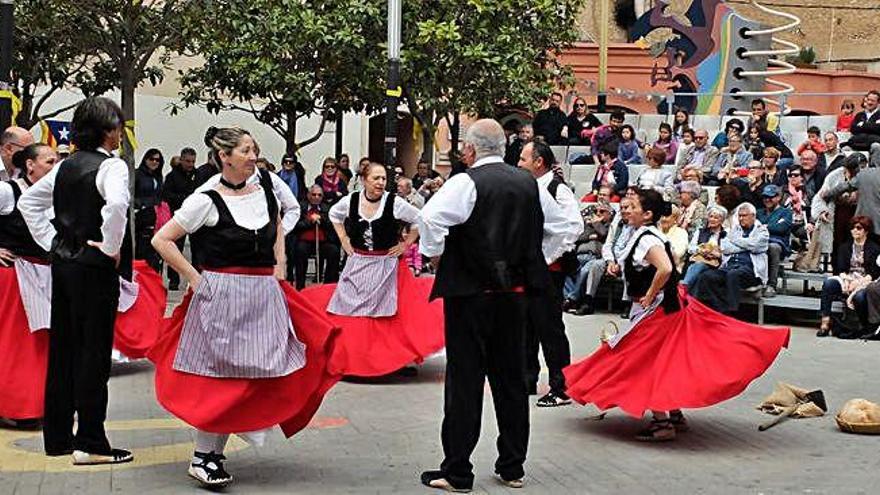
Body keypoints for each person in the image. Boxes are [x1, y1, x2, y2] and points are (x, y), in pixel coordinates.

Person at [148, 126, 342, 487]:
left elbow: (282, 223)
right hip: (221, 296)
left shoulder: (267, 191)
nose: (255, 157)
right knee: (222, 378)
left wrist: (279, 267)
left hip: (262, 293)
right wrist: (194, 278)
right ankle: (204, 455)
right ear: (225, 157)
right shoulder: (204, 198)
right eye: (247, 151)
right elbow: (163, 239)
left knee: (258, 373)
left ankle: (212, 452)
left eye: (254, 150)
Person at [418, 119, 571, 491]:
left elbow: (429, 219)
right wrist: (533, 259)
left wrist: (437, 260)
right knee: (512, 382)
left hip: (471, 295)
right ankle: (512, 467)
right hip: (514, 297)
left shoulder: (464, 182)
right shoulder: (529, 184)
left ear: (470, 150)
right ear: (504, 148)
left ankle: (457, 472)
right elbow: (565, 227)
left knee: (465, 382)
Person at [564, 189, 789, 441]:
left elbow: (666, 268)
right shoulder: (646, 235)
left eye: (632, 206)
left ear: (647, 214)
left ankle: (662, 424)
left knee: (648, 364)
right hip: (664, 307)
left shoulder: (647, 239)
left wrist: (650, 293)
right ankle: (673, 414)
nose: (625, 210)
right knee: (667, 361)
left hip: (656, 311)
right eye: (625, 206)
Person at [18, 97, 133, 464]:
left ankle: (58, 437)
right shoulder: (111, 167)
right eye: (117, 125)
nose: (120, 133)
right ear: (107, 129)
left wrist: (52, 242)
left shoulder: (64, 166)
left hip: (64, 264)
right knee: (94, 353)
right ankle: (91, 442)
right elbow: (117, 207)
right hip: (94, 266)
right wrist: (111, 246)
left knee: (63, 349)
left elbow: (29, 205)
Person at [300, 163, 444, 378]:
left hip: (385, 263)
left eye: (383, 179)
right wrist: (343, 239)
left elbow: (420, 219)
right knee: (350, 313)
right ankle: (354, 360)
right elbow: (335, 216)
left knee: (385, 318)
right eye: (376, 178)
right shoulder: (352, 200)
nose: (380, 182)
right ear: (365, 179)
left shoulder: (393, 203)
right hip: (358, 263)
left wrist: (406, 244)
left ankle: (385, 361)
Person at [518, 140, 583, 407]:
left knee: (550, 329)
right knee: (526, 327)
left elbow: (573, 227)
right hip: (528, 268)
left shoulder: (558, 190)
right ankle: (527, 379)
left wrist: (547, 256)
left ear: (538, 162)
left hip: (549, 271)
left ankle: (561, 386)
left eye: (523, 159)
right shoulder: (526, 188)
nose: (518, 164)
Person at [691, 203, 769, 314]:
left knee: (733, 275)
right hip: (730, 266)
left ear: (753, 216)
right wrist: (747, 245)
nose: (741, 218)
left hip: (751, 270)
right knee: (706, 276)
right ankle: (717, 309)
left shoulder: (762, 231)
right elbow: (726, 248)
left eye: (744, 215)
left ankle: (731, 312)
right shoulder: (734, 230)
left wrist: (736, 241)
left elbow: (756, 246)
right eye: (740, 216)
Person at [817, 216, 880, 337]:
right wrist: (846, 280)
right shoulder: (845, 247)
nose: (854, 231)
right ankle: (825, 322)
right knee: (828, 284)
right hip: (848, 277)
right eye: (852, 228)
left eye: (858, 228)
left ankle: (864, 325)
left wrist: (858, 283)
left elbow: (874, 273)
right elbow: (840, 268)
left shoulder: (874, 248)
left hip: (865, 279)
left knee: (860, 297)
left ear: (866, 231)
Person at [813, 154, 864, 272]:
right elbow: (820, 197)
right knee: (839, 247)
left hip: (859, 215)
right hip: (838, 217)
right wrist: (822, 211)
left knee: (857, 246)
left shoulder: (865, 177)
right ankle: (838, 275)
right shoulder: (834, 176)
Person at [562, 201, 613, 313]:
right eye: (595, 211)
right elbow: (578, 237)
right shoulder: (586, 225)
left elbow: (604, 234)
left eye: (602, 211)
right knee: (564, 268)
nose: (598, 213)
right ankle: (569, 297)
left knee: (585, 271)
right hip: (579, 255)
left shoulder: (610, 226)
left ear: (609, 214)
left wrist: (596, 224)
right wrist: (591, 235)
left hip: (594, 257)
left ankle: (571, 299)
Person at [162, 147, 198, 289]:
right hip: (178, 216)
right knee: (175, 249)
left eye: (193, 161)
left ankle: (196, 277)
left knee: (198, 250)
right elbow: (167, 195)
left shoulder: (198, 175)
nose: (190, 164)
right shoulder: (172, 176)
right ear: (181, 160)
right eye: (188, 161)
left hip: (195, 217)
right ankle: (174, 279)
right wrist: (186, 199)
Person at [292, 185, 340, 289]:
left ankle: (328, 285)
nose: (316, 197)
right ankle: (300, 286)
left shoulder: (326, 208)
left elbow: (331, 225)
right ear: (308, 195)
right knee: (300, 250)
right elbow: (295, 225)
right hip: (304, 241)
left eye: (319, 195)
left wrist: (321, 219)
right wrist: (309, 221)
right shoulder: (300, 207)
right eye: (314, 194)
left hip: (322, 242)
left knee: (334, 251)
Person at [757, 184, 793, 297]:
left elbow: (781, 228)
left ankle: (772, 284)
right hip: (759, 242)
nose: (767, 200)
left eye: (771, 197)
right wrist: (771, 226)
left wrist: (764, 226)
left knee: (773, 247)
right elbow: (754, 227)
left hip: (778, 244)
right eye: (765, 197)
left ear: (778, 197)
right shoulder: (759, 212)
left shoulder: (786, 212)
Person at [134, 149, 165, 272]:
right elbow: (131, 194)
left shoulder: (158, 177)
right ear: (145, 159)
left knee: (154, 254)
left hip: (155, 217)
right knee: (142, 250)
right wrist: (141, 204)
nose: (154, 162)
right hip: (141, 215)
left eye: (157, 160)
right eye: (151, 159)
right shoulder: (138, 174)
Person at [682, 205, 727, 286]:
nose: (712, 219)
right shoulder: (700, 231)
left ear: (722, 220)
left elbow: (727, 252)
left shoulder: (726, 235)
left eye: (716, 218)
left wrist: (717, 254)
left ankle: (684, 285)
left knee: (699, 266)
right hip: (698, 259)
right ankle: (685, 287)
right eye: (711, 216)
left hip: (716, 264)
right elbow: (690, 248)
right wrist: (700, 250)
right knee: (697, 265)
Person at [843, 90, 880, 160]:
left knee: (877, 147)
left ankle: (875, 169)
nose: (869, 102)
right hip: (858, 143)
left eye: (872, 101)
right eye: (868, 99)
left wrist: (863, 125)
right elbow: (853, 129)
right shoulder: (859, 115)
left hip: (873, 143)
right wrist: (873, 126)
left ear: (878, 102)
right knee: (845, 149)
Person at [660, 204, 689, 272]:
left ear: (675, 219)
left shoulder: (681, 232)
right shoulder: (656, 231)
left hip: (673, 269)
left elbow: (678, 253)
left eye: (667, 216)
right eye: (662, 216)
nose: (663, 219)